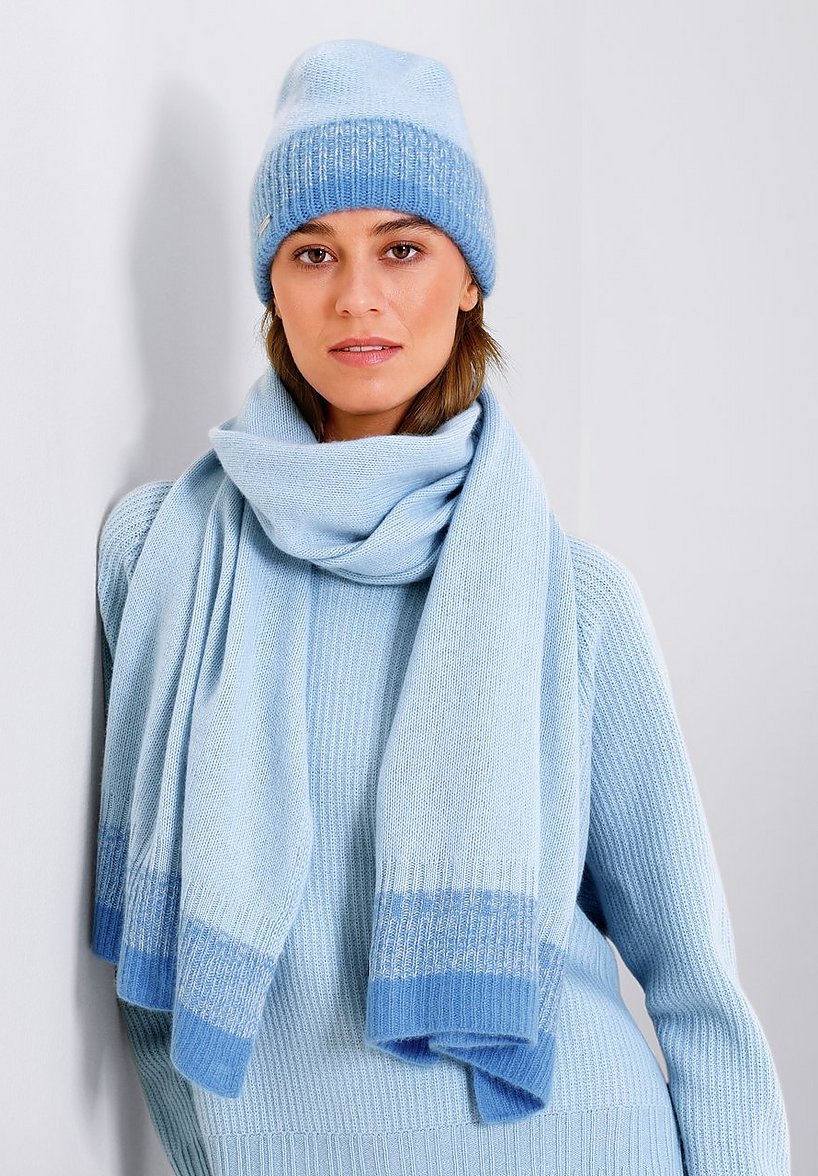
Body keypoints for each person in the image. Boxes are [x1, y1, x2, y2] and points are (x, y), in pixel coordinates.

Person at [91, 38, 791, 1176]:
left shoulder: (578, 606)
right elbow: (153, 987)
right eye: (313, 252)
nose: (357, 296)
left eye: (402, 248)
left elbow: (695, 983)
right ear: (272, 284)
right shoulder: (169, 562)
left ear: (469, 280)